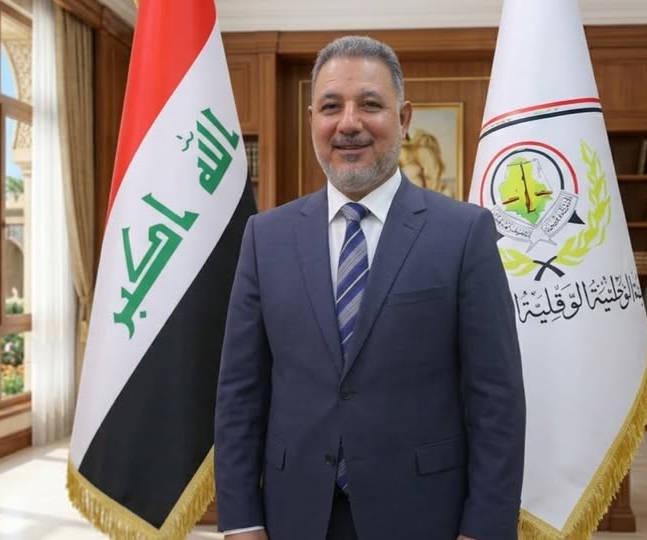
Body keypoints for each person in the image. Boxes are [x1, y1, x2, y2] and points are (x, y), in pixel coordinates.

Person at [214, 35, 526, 540]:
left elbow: (497, 402)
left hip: (423, 516)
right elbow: (239, 397)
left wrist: (484, 529)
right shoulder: (264, 237)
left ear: (404, 119)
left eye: (370, 105)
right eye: (331, 107)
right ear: (312, 119)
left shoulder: (464, 233)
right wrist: (241, 522)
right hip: (294, 515)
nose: (349, 123)